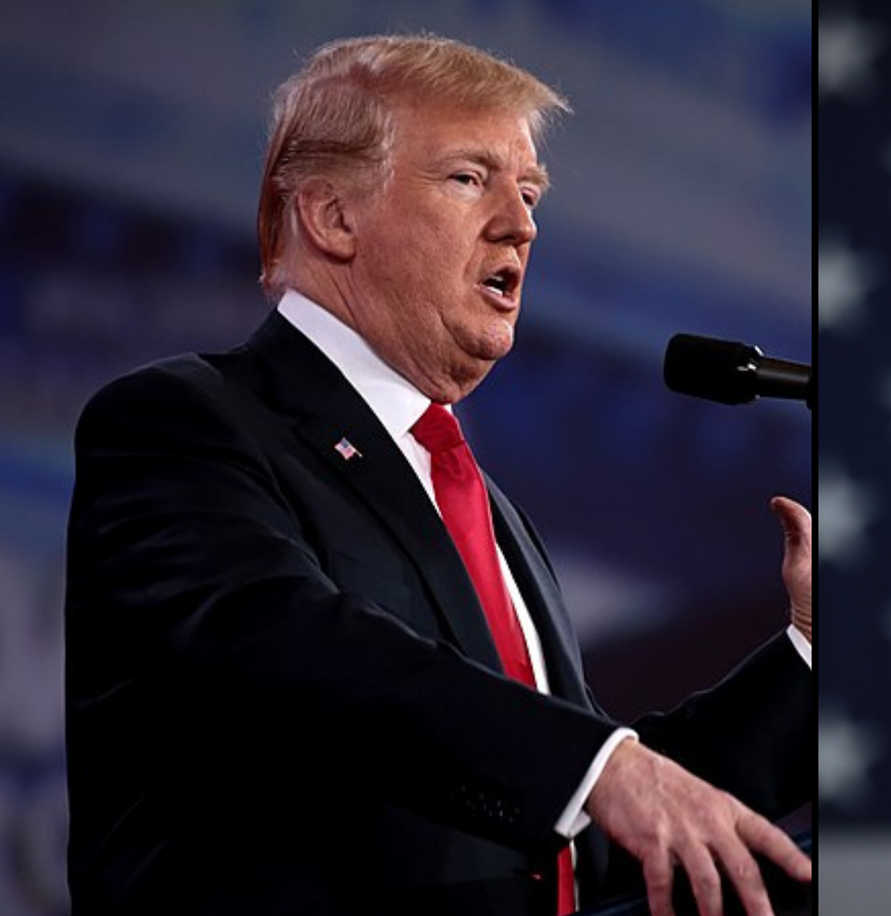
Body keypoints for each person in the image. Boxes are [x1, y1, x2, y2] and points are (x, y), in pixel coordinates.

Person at [64, 35, 811, 916]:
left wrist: (804, 648)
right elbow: (289, 644)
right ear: (332, 215)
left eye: (529, 192)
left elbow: (584, 824)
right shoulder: (181, 422)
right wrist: (592, 768)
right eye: (470, 179)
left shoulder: (484, 508)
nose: (522, 223)